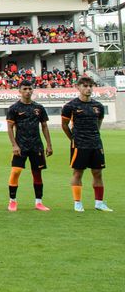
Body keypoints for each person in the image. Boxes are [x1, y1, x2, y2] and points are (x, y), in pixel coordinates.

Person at [61, 75, 111, 212]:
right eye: (85, 86)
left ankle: (99, 203)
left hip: (96, 144)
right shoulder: (70, 106)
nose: (88, 89)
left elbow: (98, 123)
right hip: (79, 144)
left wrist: (94, 136)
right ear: (78, 87)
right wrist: (73, 138)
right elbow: (64, 125)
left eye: (90, 86)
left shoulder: (98, 106)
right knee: (78, 173)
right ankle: (77, 203)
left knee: (98, 173)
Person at [5, 81, 53, 211]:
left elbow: (44, 126)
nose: (27, 91)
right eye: (25, 89)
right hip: (20, 145)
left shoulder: (39, 108)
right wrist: (14, 145)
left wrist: (49, 144)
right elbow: (9, 128)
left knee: (37, 173)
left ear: (33, 90)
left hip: (36, 145)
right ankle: (12, 201)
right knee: (16, 171)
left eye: (30, 88)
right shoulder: (14, 108)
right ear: (19, 91)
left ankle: (39, 202)